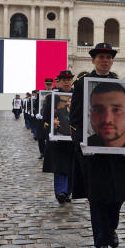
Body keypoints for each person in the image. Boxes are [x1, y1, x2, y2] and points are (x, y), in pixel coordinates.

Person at [70, 43, 125, 248]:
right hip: (94, 152)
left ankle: (111, 229)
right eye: (101, 57)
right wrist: (81, 142)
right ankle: (101, 241)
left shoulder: (120, 85)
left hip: (118, 150)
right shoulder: (82, 85)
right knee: (98, 198)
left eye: (108, 57)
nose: (105, 60)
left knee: (118, 196)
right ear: (93, 60)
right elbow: (75, 118)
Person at [42, 71, 75, 204]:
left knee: (72, 166)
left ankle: (68, 192)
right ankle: (61, 191)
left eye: (69, 79)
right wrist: (50, 127)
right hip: (58, 139)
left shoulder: (79, 96)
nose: (66, 81)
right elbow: (46, 117)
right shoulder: (52, 97)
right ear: (59, 81)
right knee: (60, 166)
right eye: (64, 79)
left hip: (74, 139)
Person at [86, 82, 125, 147]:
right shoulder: (85, 145)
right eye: (99, 110)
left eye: (116, 110)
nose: (107, 120)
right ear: (90, 115)